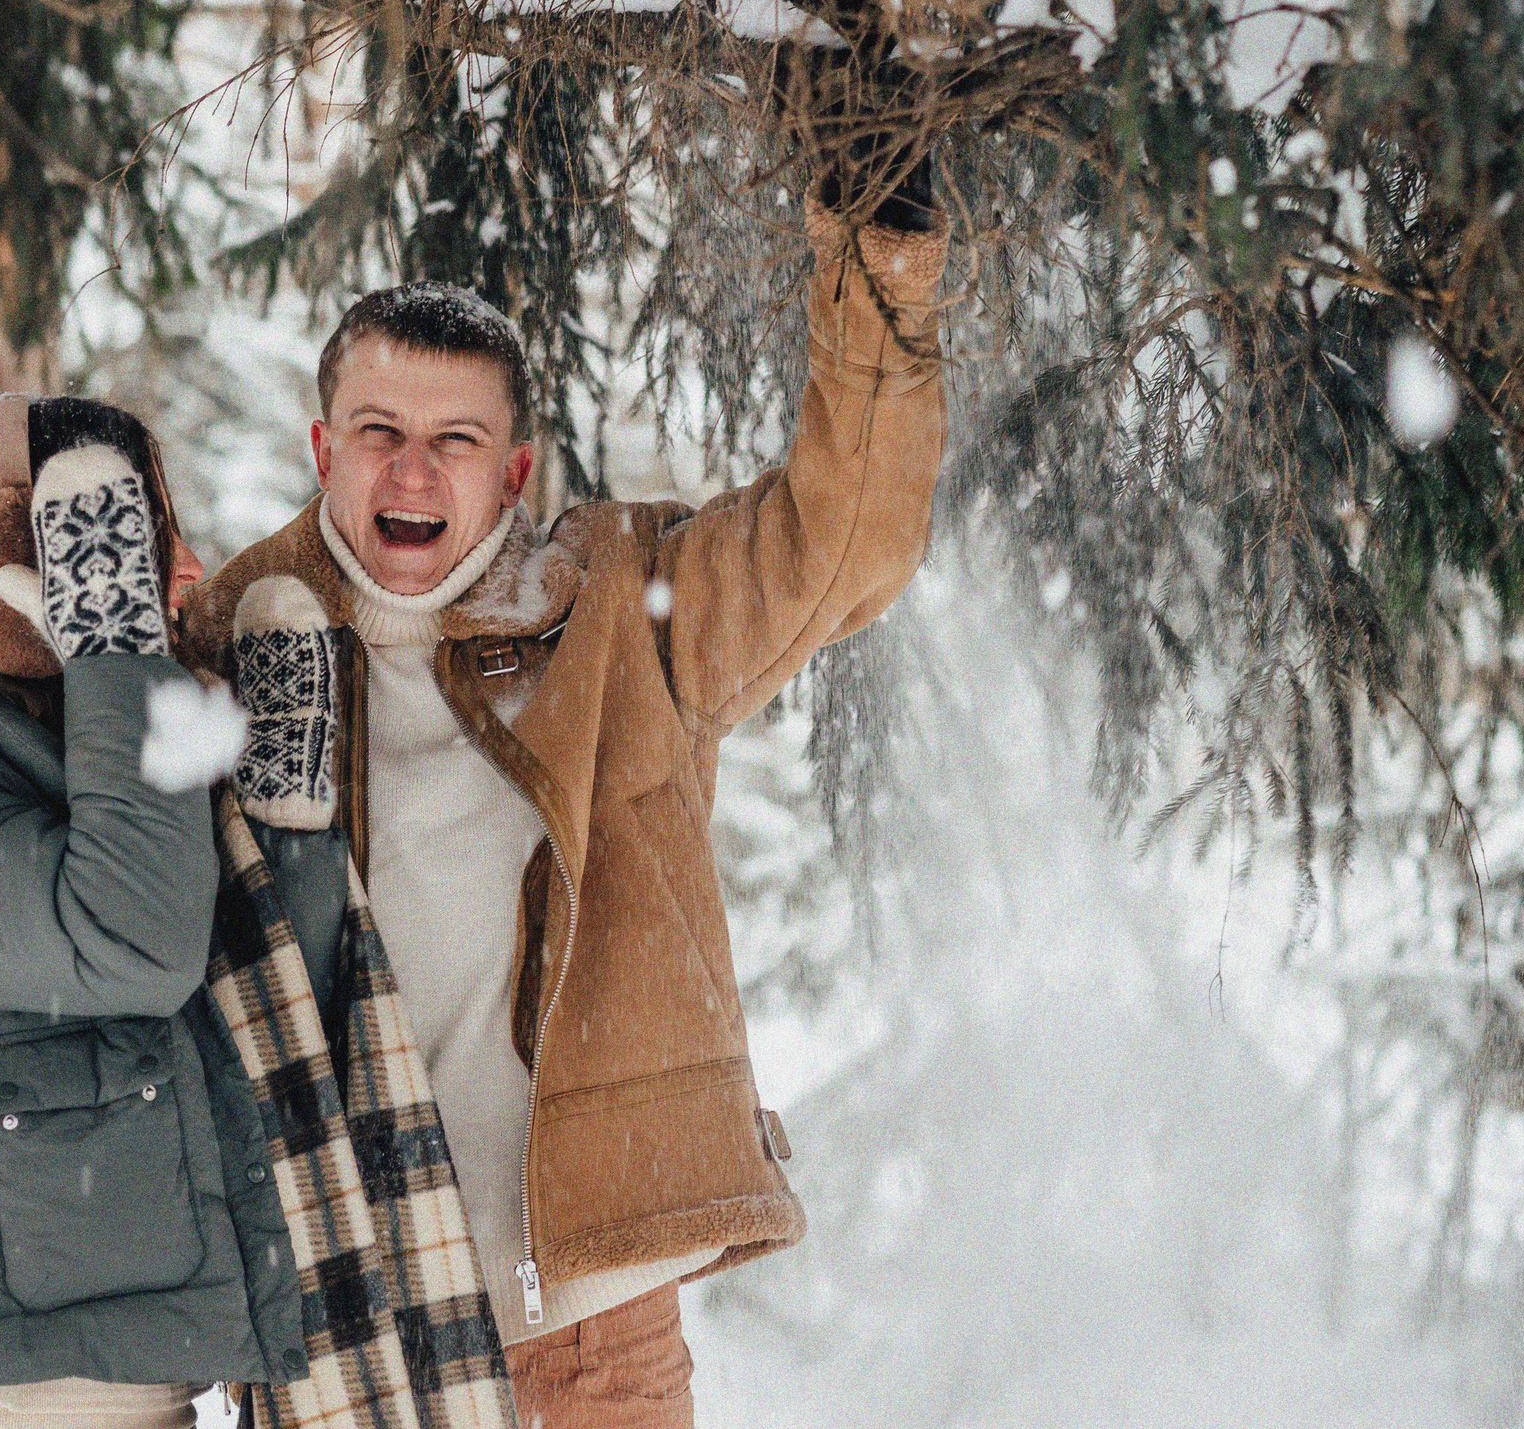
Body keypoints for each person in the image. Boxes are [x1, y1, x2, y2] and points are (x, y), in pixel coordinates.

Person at [182, 150, 949, 1427]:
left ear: (516, 474)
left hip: (589, 1309)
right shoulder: (228, 647)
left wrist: (880, 261)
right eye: (379, 433)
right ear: (323, 447)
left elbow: (843, 540)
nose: (411, 473)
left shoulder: (619, 614)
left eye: (454, 440)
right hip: (340, 1299)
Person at [0, 393, 518, 1429]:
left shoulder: (94, 780)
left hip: (106, 1384)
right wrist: (113, 646)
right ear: (20, 556)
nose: (179, 569)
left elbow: (261, 1036)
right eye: (135, 537)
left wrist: (290, 827)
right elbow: (131, 943)